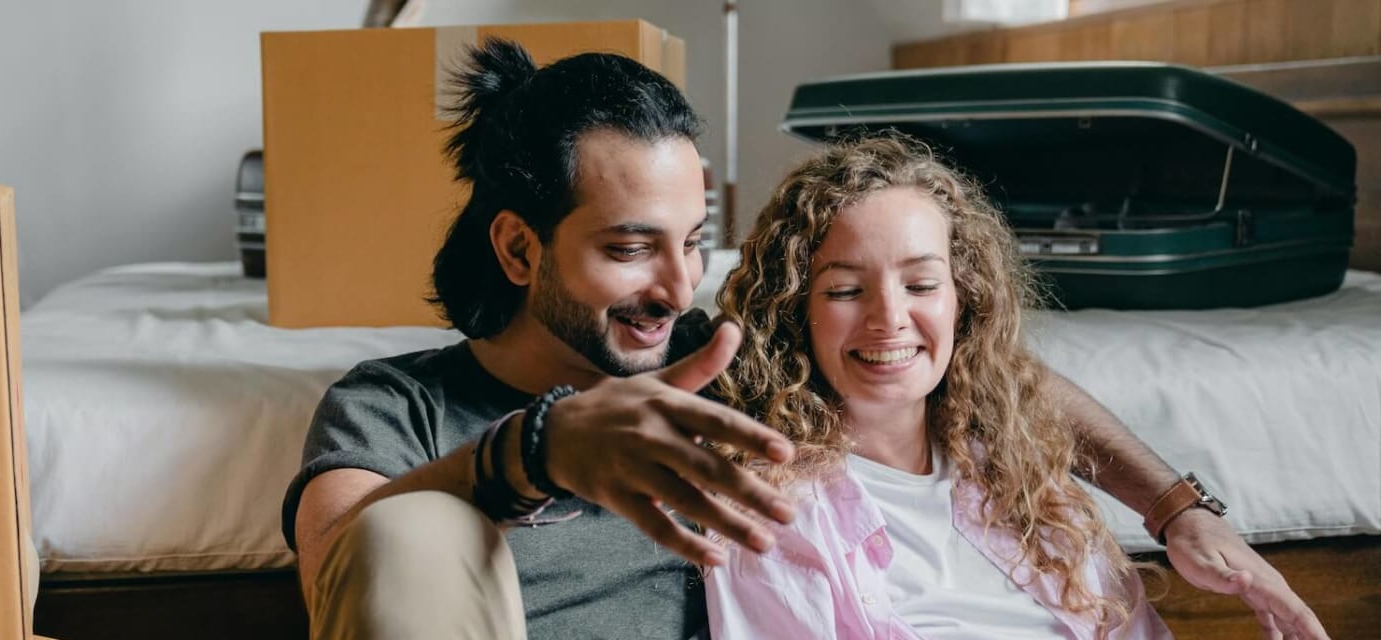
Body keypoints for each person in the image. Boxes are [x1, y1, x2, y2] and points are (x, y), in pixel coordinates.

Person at [280, 39, 1324, 640]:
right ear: (518, 248)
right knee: (411, 527)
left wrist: (1173, 505)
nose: (677, 284)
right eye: (630, 248)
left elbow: (965, 364)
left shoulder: (718, 358)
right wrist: (539, 450)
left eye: (693, 242)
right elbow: (344, 567)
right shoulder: (398, 401)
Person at [703, 134, 1174, 638]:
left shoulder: (1028, 478)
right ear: (797, 312)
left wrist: (1183, 510)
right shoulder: (773, 512)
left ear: (963, 299)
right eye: (845, 290)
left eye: (921, 285)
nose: (889, 318)